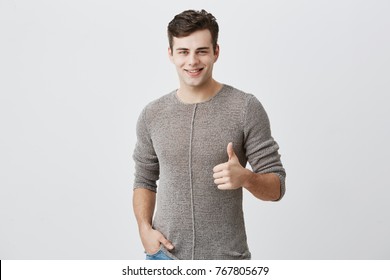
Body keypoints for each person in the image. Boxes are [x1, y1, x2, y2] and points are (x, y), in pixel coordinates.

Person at [132, 9, 286, 260]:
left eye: (201, 51)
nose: (192, 61)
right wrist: (144, 230)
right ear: (170, 54)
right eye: (183, 51)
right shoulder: (152, 114)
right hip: (163, 258)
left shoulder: (245, 108)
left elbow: (277, 187)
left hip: (227, 261)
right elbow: (144, 181)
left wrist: (246, 177)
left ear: (216, 52)